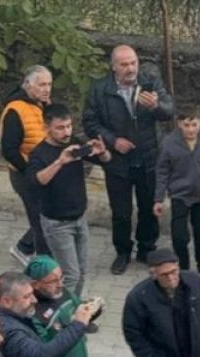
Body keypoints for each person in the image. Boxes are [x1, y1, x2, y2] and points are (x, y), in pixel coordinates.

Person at [83, 44, 174, 275]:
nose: (130, 68)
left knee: (148, 209)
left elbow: (169, 112)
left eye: (133, 63)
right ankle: (122, 252)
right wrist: (114, 141)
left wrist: (155, 106)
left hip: (148, 159)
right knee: (121, 212)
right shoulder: (100, 89)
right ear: (114, 67)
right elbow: (90, 123)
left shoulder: (150, 82)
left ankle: (146, 249)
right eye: (124, 64)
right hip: (118, 162)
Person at [26, 103, 111, 298]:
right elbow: (36, 181)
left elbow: (106, 160)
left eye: (69, 126)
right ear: (46, 127)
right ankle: (64, 311)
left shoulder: (75, 143)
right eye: (60, 128)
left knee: (81, 272)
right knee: (70, 275)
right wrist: (60, 162)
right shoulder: (39, 153)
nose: (66, 132)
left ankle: (75, 308)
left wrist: (102, 152)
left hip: (80, 218)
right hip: (57, 223)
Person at [154, 104, 200, 274]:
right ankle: (183, 271)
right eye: (186, 125)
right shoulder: (169, 143)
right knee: (179, 238)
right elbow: (162, 171)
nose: (191, 129)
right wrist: (158, 199)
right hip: (180, 196)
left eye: (194, 125)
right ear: (179, 124)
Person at [0, 64, 52, 264]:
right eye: (42, 85)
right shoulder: (15, 110)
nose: (47, 89)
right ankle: (43, 263)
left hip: (43, 170)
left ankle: (24, 247)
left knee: (45, 215)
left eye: (49, 84)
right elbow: (9, 150)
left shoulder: (42, 104)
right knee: (39, 218)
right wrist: (29, 171)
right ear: (28, 85)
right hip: (25, 174)